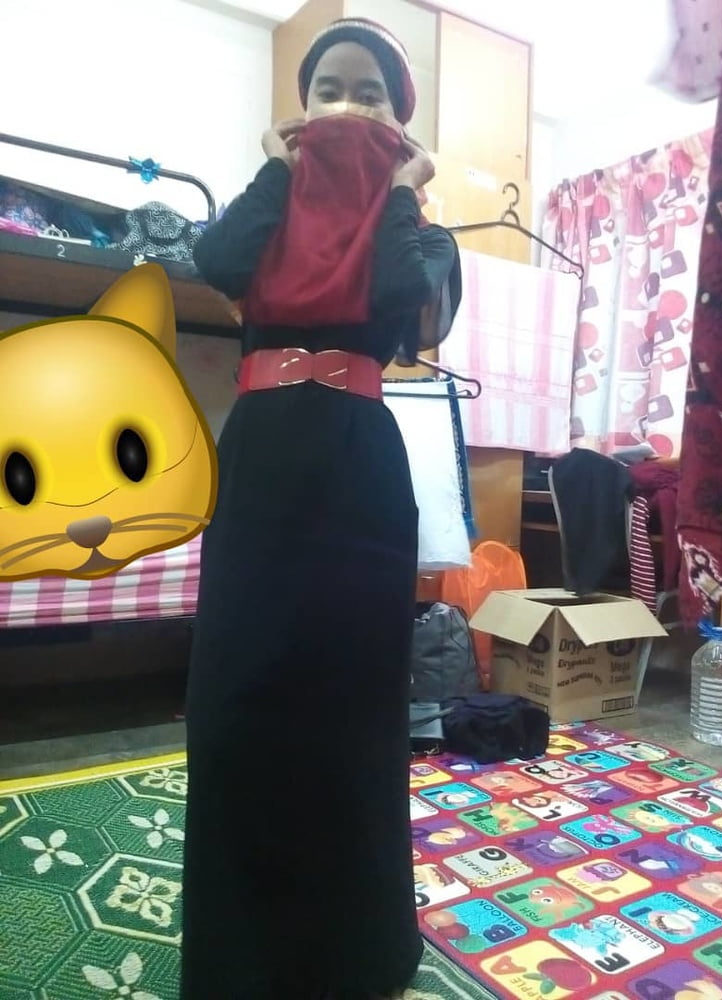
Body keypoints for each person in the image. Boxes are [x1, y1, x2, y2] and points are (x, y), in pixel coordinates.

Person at [180, 18, 461, 1000]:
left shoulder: (424, 232)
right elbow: (216, 259)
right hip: (260, 461)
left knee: (352, 706)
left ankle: (356, 954)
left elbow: (402, 297)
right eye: (328, 90)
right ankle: (238, 960)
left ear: (402, 119)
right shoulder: (266, 215)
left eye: (369, 93)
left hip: (358, 466)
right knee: (235, 703)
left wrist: (402, 188)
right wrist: (275, 167)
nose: (346, 108)